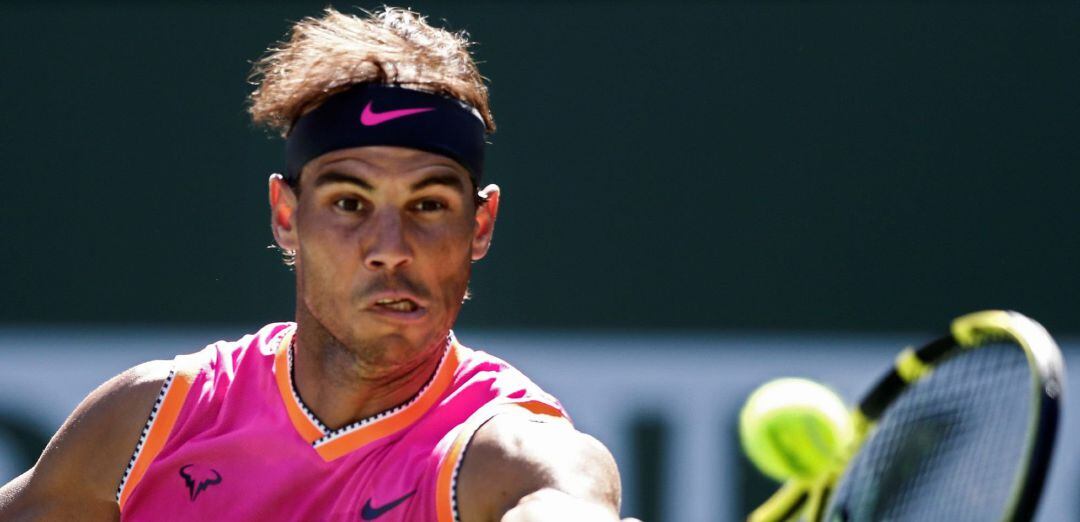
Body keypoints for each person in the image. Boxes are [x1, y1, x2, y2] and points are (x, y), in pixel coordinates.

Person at [0, 7, 635, 522]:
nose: (391, 245)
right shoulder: (153, 420)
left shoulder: (501, 448)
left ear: (480, 225)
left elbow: (567, 492)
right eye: (350, 202)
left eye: (430, 203)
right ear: (286, 215)